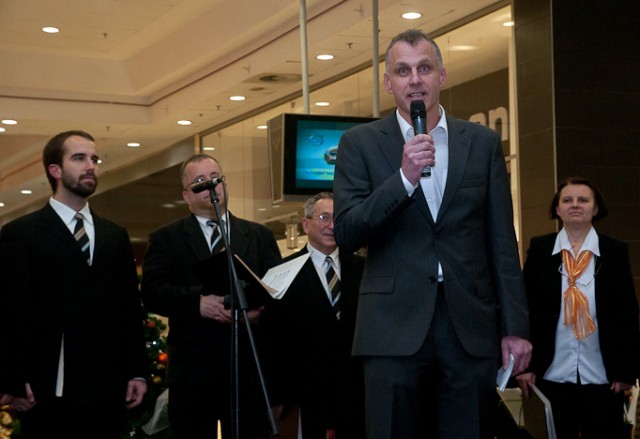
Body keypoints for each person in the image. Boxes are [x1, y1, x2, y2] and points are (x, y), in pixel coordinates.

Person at [332, 28, 532, 439]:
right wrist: (403, 179)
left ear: (442, 75)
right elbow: (347, 232)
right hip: (391, 327)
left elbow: (501, 242)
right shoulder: (359, 143)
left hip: (469, 327)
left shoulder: (481, 142)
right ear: (388, 83)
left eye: (424, 68)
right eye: (402, 71)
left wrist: (515, 326)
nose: (415, 79)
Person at [0, 130, 148, 439]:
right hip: (46, 390)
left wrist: (137, 371)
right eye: (79, 158)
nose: (91, 166)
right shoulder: (21, 234)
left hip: (108, 388)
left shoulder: (114, 235)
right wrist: (13, 379)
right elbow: (10, 311)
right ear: (55, 170)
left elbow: (129, 309)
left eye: (94, 159)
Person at [140, 153, 282, 439]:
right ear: (186, 195)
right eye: (200, 181)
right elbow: (152, 293)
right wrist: (198, 303)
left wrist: (257, 313)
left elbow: (278, 290)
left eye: (216, 178)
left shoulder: (259, 235)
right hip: (194, 371)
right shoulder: (167, 238)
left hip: (247, 369)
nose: (211, 186)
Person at [516, 177, 639, 438]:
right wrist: (524, 367)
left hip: (603, 376)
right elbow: (524, 308)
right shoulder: (540, 249)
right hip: (550, 374)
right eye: (567, 200)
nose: (575, 205)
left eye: (583, 200)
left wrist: (625, 371)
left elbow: (627, 314)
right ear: (557, 209)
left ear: (596, 208)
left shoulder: (614, 251)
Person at [260, 192, 366, 439]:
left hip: (355, 393)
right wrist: (276, 397)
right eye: (323, 217)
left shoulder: (362, 268)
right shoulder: (282, 272)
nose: (332, 225)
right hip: (305, 395)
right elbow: (271, 340)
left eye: (337, 219)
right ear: (306, 224)